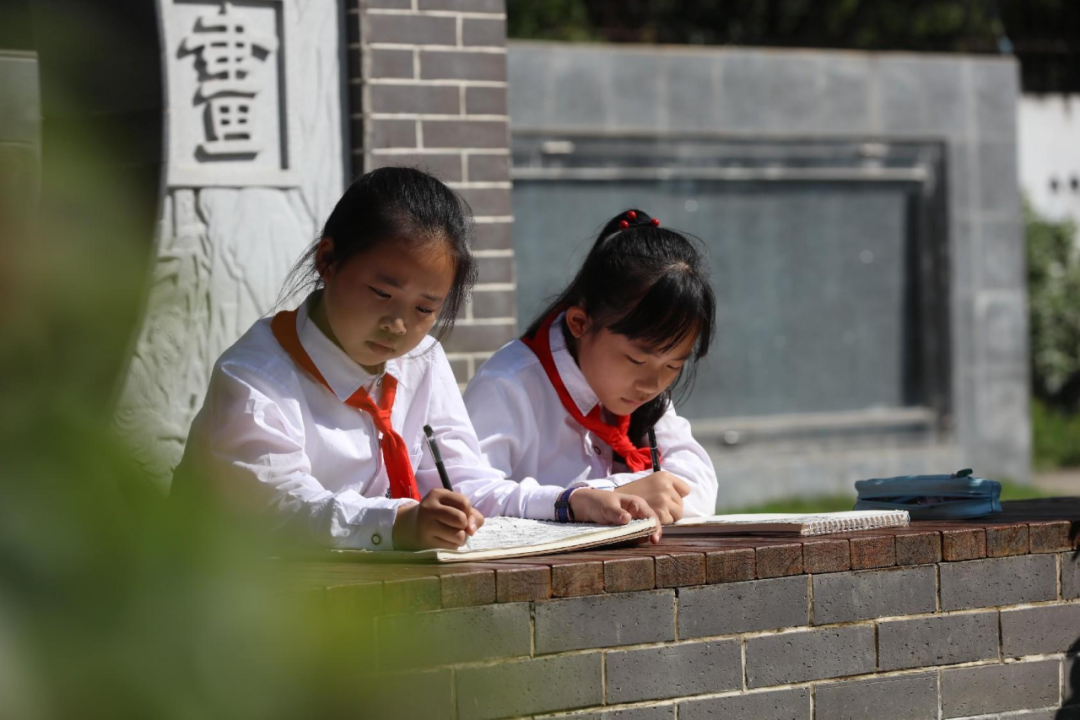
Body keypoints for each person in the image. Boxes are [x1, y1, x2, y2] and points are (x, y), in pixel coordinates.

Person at [173, 169, 659, 550]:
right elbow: (279, 507)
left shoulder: (420, 360)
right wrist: (399, 523)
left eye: (425, 309)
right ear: (327, 260)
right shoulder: (255, 378)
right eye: (381, 293)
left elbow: (467, 482)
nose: (397, 325)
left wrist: (569, 502)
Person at [464, 208, 718, 523]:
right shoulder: (508, 384)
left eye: (673, 366)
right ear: (580, 324)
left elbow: (699, 485)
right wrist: (594, 498)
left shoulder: (645, 389)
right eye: (636, 359)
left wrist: (621, 493)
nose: (652, 385)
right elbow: (471, 496)